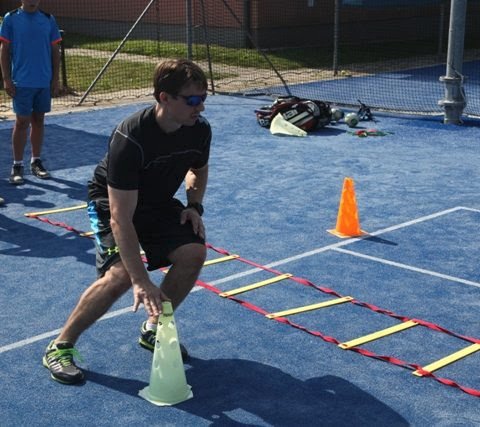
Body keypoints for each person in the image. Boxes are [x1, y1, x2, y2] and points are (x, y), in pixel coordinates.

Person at [43, 59, 211, 384]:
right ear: (164, 98)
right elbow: (121, 218)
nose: (200, 106)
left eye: (203, 98)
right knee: (119, 275)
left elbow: (198, 169)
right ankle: (60, 345)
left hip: (156, 201)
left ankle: (153, 328)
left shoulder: (199, 129)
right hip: (112, 203)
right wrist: (140, 280)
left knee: (193, 253)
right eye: (192, 99)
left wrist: (194, 206)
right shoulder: (131, 137)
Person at [0, 0, 61, 185]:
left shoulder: (49, 20)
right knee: (21, 122)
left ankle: (36, 161)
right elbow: (4, 50)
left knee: (39, 120)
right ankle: (17, 165)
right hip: (21, 82)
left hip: (43, 81)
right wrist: (7, 79)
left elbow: (55, 50)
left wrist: (55, 79)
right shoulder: (11, 19)